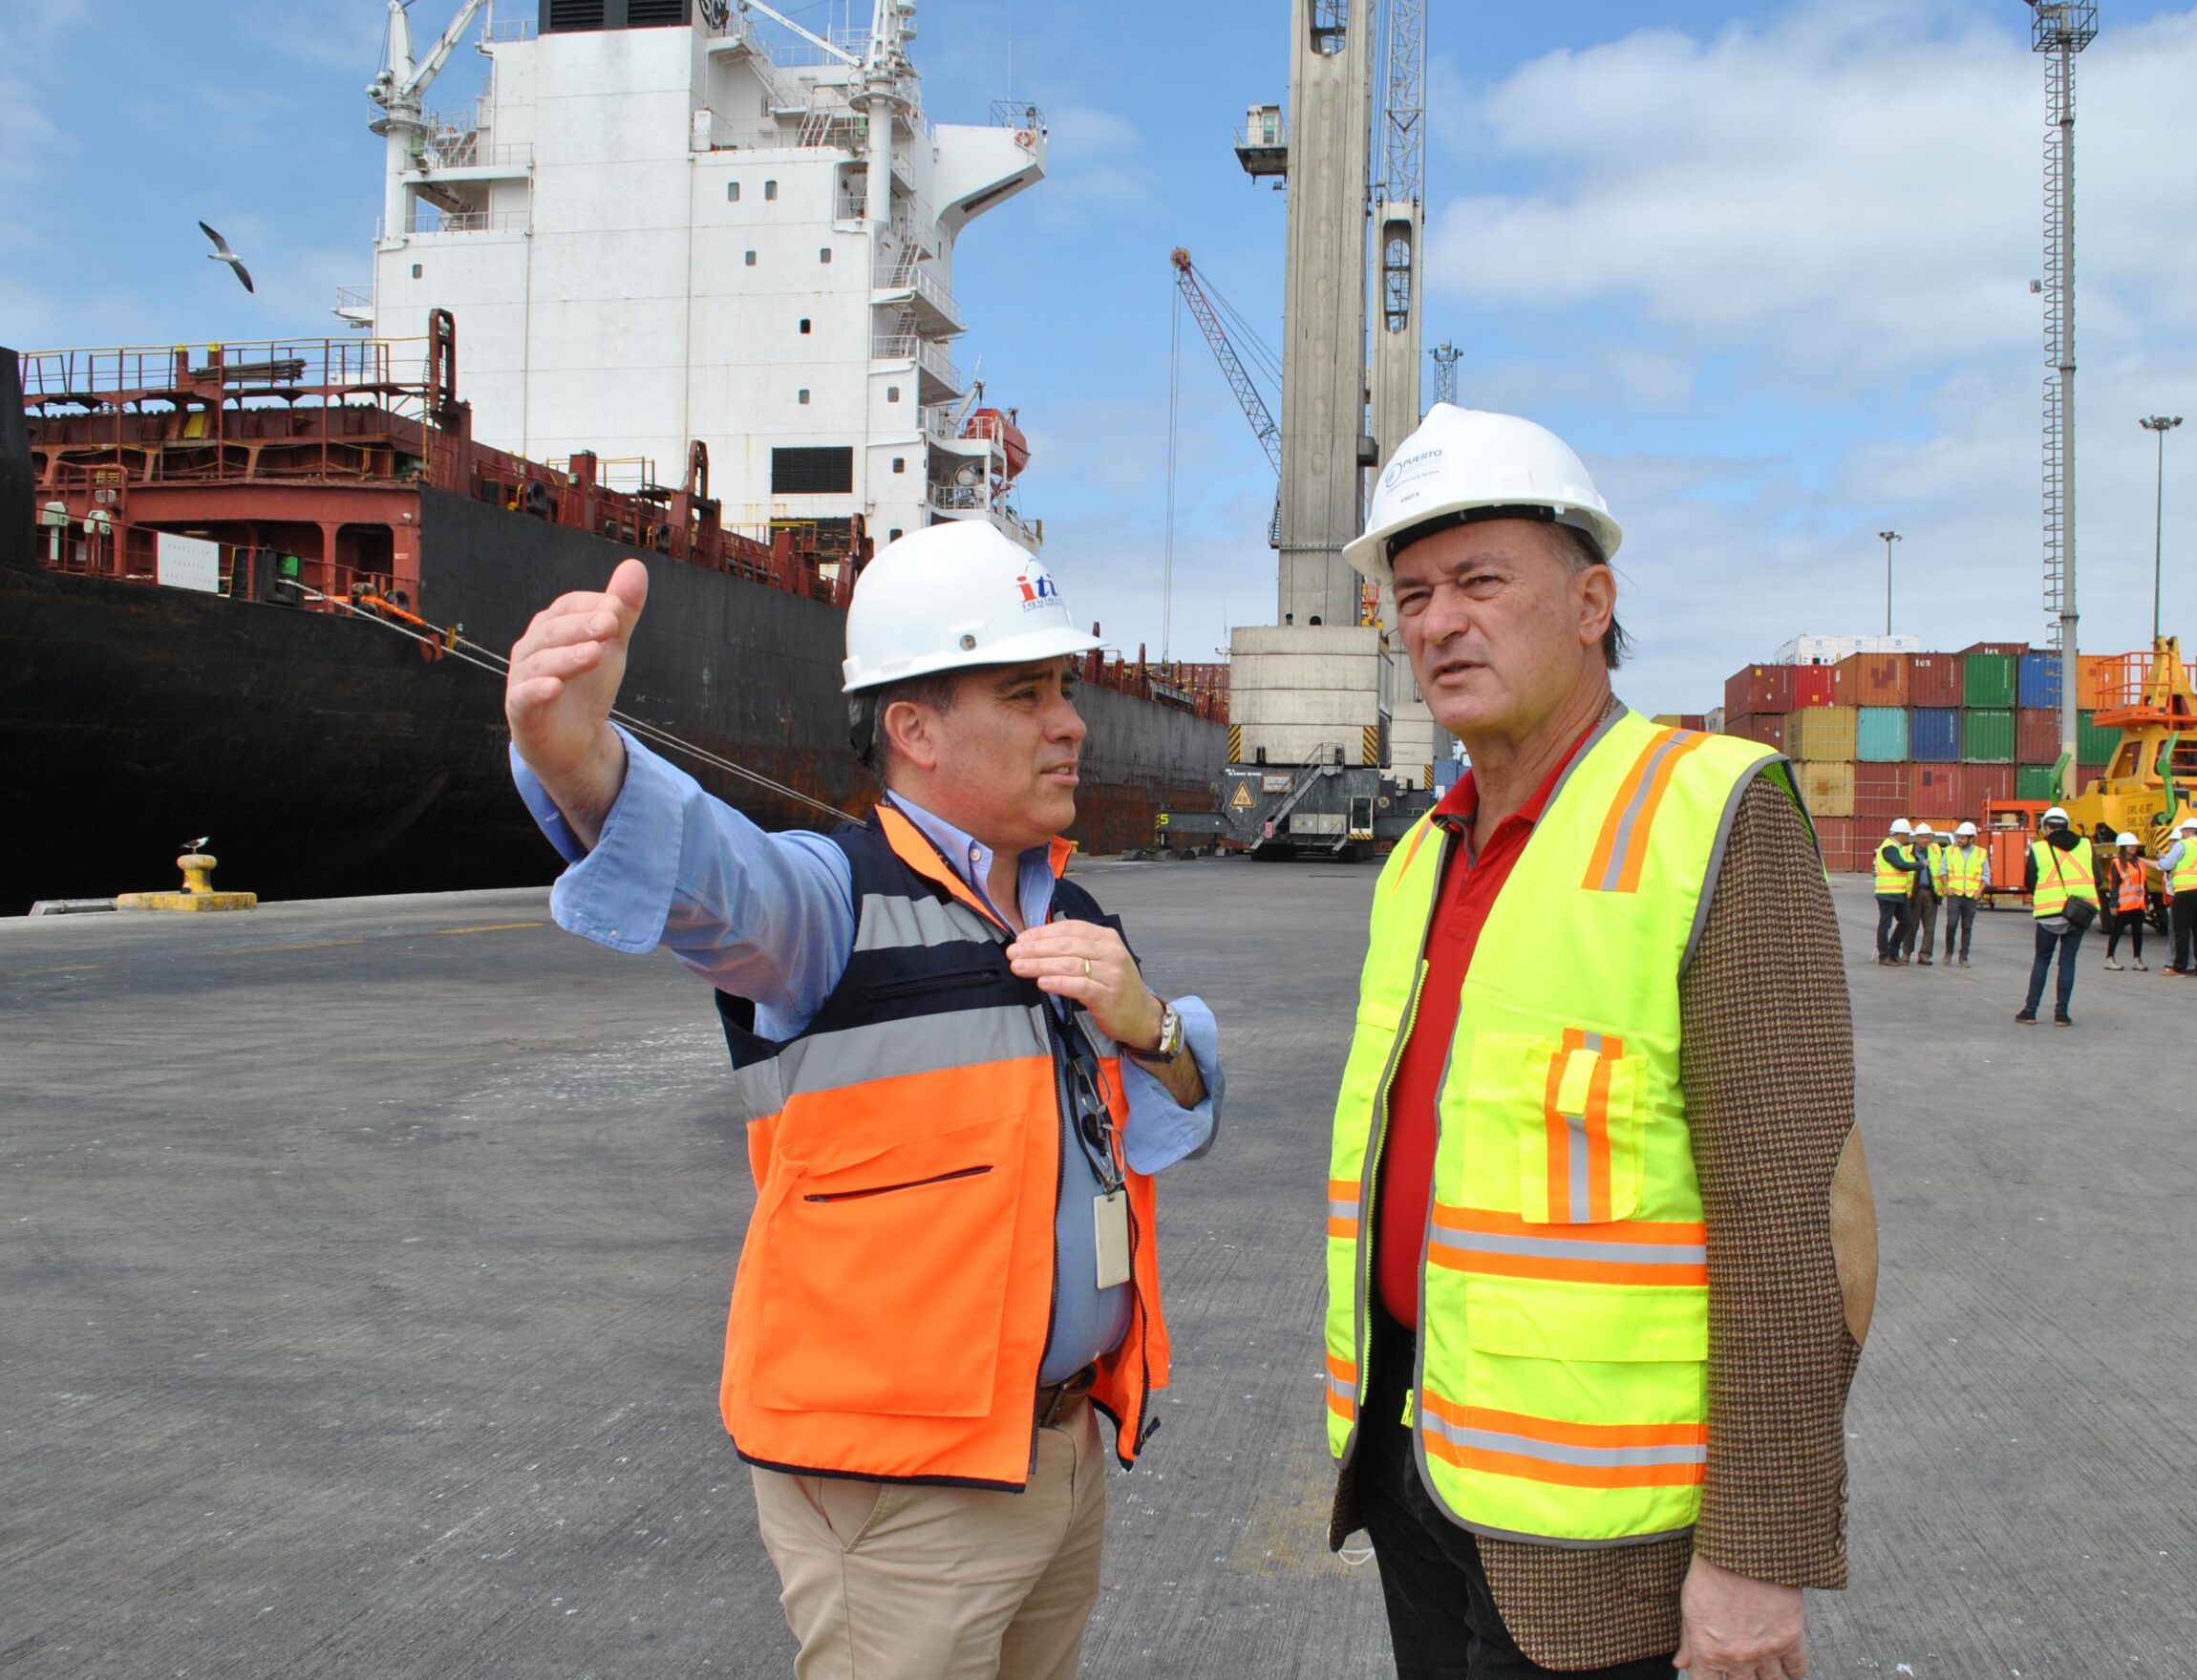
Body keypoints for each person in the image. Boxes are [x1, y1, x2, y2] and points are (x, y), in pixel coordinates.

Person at [501, 525, 1226, 1680]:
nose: (1071, 722)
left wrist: (1155, 1026)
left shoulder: (1074, 911)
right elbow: (719, 880)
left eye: (1067, 688)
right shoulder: (832, 906)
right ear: (915, 728)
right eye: (1027, 691)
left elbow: (1180, 1112)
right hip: (903, 1498)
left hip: (1061, 1450)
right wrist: (577, 760)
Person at [1326, 403, 1876, 1680]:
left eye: (1478, 581)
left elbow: (1794, 1216)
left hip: (1606, 1534)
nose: (1436, 622)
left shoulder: (1710, 812)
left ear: (1591, 603)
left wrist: (1755, 1551)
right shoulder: (1421, 855)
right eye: (1410, 595)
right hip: (1424, 1464)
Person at [2016, 806, 2099, 1027]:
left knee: (2042, 960)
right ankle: (2061, 1014)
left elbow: (2030, 880)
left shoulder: (2039, 848)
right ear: (2067, 825)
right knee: (2068, 962)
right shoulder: (2086, 845)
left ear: (2046, 827)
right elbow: (2098, 878)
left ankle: (2030, 1011)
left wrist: (2045, 894)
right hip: (2078, 913)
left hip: (2049, 913)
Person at [2156, 817, 2197, 978]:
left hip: (2185, 891)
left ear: (2188, 831)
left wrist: (2160, 863)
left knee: (2181, 930)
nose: (2181, 833)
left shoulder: (2182, 845)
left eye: (2183, 830)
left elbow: (2168, 864)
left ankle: (2179, 967)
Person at [2101, 832, 2149, 971]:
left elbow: (2143, 883)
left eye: (2135, 845)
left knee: (2138, 932)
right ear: (2122, 847)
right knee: (2117, 931)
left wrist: (2146, 901)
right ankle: (2109, 958)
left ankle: (2137, 959)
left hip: (2138, 904)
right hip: (2123, 905)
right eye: (2130, 845)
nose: (2134, 847)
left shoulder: (2139, 862)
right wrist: (2113, 904)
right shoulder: (2117, 863)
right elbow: (2114, 885)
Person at [1941, 820, 1987, 966]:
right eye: (1958, 837)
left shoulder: (1981, 853)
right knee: (1952, 924)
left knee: (1967, 926)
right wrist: (1947, 888)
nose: (1958, 840)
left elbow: (1986, 876)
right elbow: (1943, 871)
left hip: (1971, 896)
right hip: (1954, 894)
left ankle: (1964, 956)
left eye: (1962, 837)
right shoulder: (1949, 851)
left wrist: (1979, 892)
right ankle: (1949, 951)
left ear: (1971, 838)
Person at [1873, 817, 1914, 967]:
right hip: (1887, 892)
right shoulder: (1889, 848)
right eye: (1907, 834)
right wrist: (1920, 864)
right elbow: (1900, 865)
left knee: (1906, 921)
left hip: (1899, 892)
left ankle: (1893, 952)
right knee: (1885, 924)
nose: (1908, 837)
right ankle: (1884, 956)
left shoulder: (1897, 847)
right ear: (1900, 834)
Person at [1909, 823, 1945, 966]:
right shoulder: (1908, 851)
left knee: (1930, 927)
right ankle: (1906, 952)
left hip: (1931, 892)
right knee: (1911, 925)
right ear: (1916, 838)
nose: (1926, 840)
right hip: (1914, 892)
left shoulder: (1936, 850)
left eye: (1928, 837)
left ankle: (1925, 955)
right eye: (1923, 837)